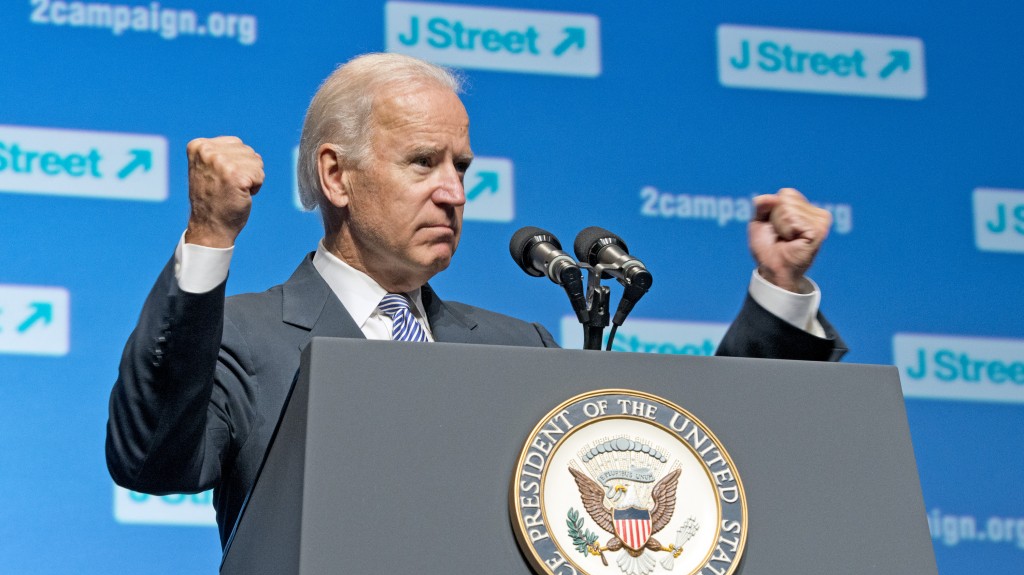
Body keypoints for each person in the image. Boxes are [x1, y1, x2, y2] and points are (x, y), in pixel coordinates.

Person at [106, 53, 845, 548]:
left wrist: (779, 293)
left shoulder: (517, 349)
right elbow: (151, 458)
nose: (454, 192)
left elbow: (666, 469)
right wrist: (208, 238)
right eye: (423, 162)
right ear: (336, 176)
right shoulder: (245, 336)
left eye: (461, 166)